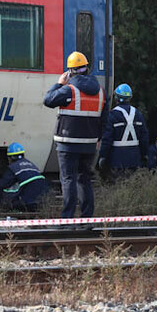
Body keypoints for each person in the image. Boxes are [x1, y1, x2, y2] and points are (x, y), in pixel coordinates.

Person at [43, 51, 106, 219]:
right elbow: (103, 119)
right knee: (84, 180)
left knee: (68, 179)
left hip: (68, 143)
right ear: (87, 69)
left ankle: (67, 218)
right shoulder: (100, 91)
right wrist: (98, 138)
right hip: (89, 144)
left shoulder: (68, 90)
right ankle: (87, 217)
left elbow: (48, 100)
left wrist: (58, 84)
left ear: (70, 71)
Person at [98, 83, 148, 174]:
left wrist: (103, 156)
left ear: (116, 98)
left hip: (117, 159)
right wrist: (144, 154)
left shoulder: (112, 115)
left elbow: (107, 139)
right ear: (130, 98)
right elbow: (144, 137)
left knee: (119, 185)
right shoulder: (138, 114)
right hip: (134, 158)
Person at [0, 142, 46, 211]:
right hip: (44, 187)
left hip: (30, 190)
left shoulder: (13, 167)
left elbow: (3, 183)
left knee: (14, 203)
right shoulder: (30, 163)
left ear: (10, 158)